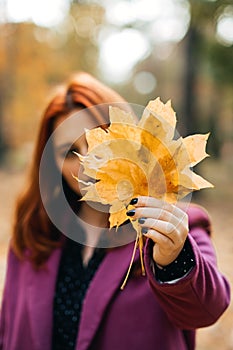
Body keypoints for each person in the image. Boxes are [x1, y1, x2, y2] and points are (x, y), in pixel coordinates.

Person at [0, 72, 230, 350]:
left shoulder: (175, 228)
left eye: (100, 143)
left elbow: (206, 310)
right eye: (70, 152)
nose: (88, 162)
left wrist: (173, 259)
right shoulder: (33, 237)